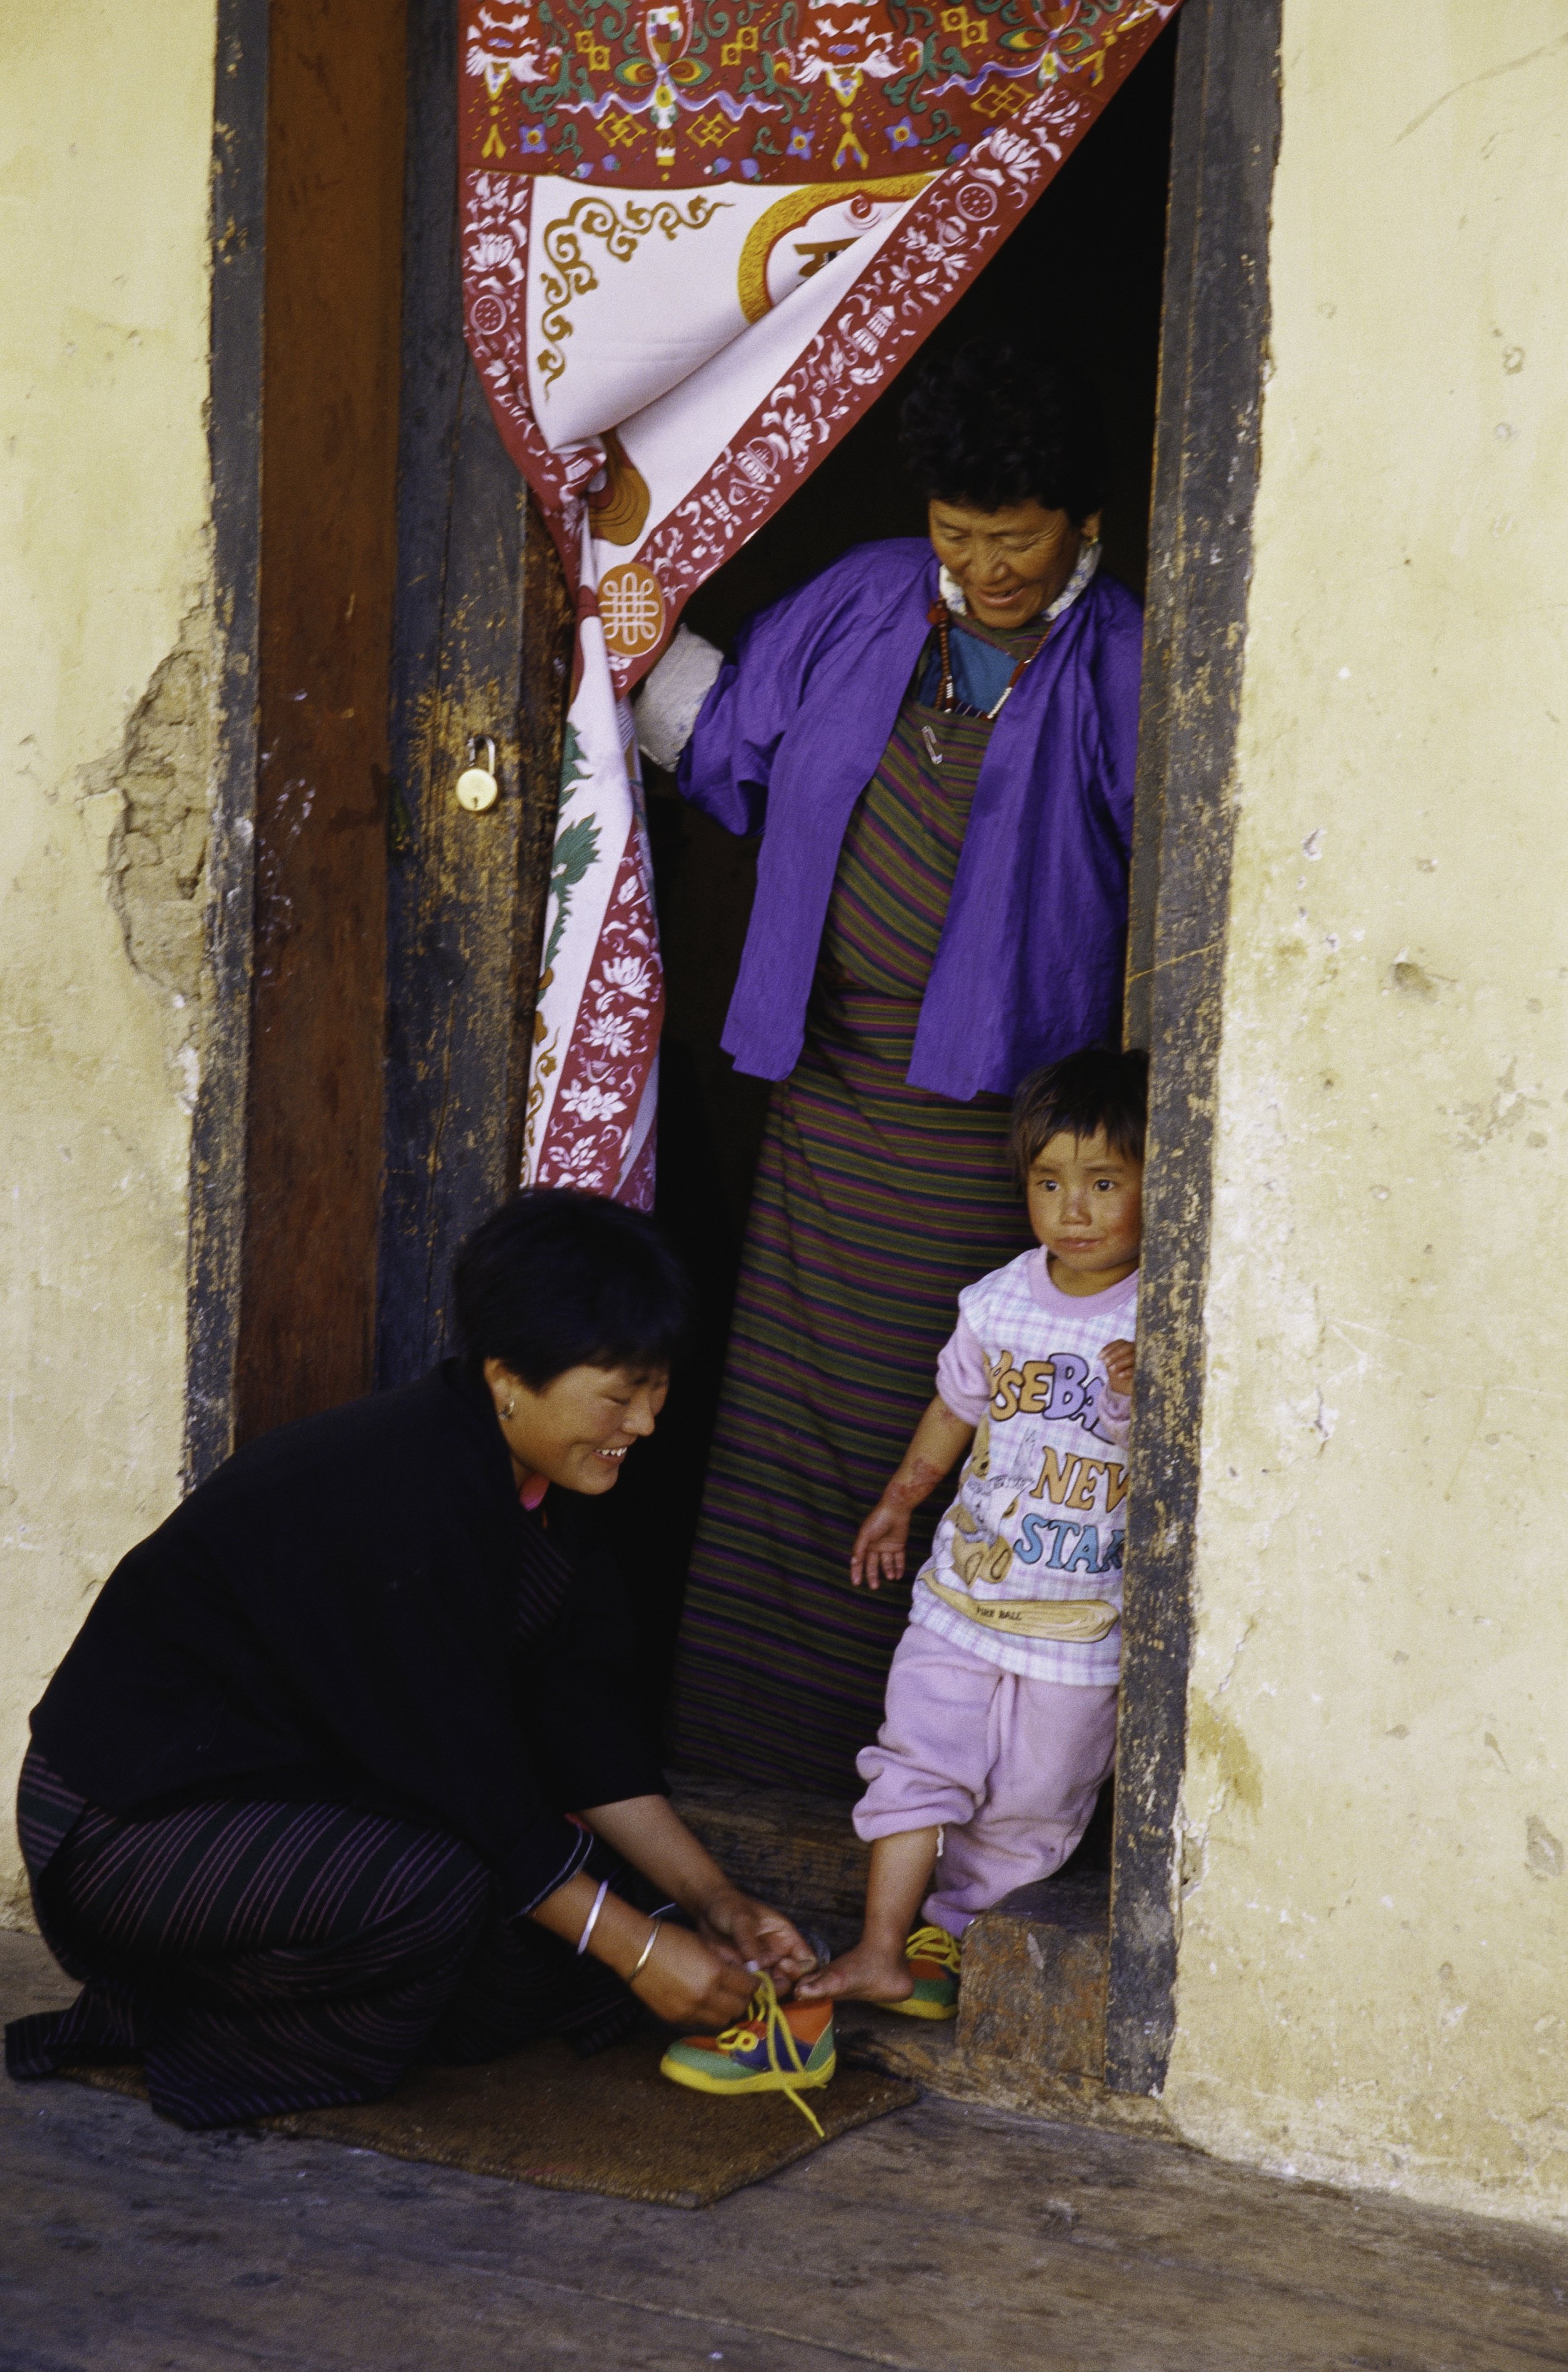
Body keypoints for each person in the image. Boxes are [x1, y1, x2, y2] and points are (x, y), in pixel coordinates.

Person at [4, 1190, 817, 2132]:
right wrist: (636, 1951)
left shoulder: (558, 1484)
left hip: (310, 1790)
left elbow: (582, 1719)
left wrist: (711, 1900)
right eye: (618, 1391)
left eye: (658, 1386)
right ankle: (193, 2020)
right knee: (443, 1888)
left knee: (559, 1915)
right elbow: (462, 1767)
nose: (643, 1422)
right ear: (509, 1375)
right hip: (128, 1825)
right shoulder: (392, 1489)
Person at [640, 331, 1143, 1795]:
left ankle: (916, 1808)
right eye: (956, 534)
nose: (986, 568)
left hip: (996, 1146)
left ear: (1082, 523)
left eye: (1018, 538)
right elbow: (721, 748)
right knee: (781, 1448)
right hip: (830, 1100)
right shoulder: (860, 604)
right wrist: (620, 598)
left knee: (955, 1445)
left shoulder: (1129, 662)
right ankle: (745, 1778)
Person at [795, 1046, 1144, 2017]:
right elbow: (954, 1409)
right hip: (962, 1597)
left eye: (1104, 1181)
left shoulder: (1166, 1311)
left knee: (1038, 1802)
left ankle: (940, 1935)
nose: (1073, 1208)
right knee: (917, 1761)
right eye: (1050, 1182)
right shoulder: (996, 1301)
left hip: (1078, 1628)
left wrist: (1145, 1390)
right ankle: (877, 1946)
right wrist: (901, 1500)